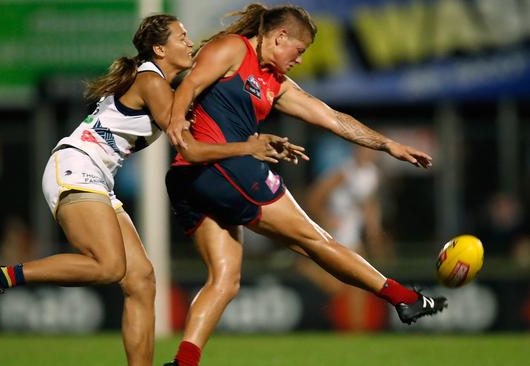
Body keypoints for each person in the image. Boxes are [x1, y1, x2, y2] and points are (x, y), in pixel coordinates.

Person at [0, 14, 299, 366]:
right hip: (77, 166)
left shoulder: (161, 86)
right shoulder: (151, 83)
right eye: (180, 37)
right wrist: (248, 147)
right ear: (159, 48)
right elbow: (190, 148)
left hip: (96, 176)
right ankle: (1, 276)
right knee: (109, 267)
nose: (188, 42)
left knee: (141, 280)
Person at [163, 4, 447, 365]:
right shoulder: (234, 49)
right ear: (280, 37)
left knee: (225, 279)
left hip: (193, 177)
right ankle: (402, 297)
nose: (299, 60)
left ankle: (183, 362)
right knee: (315, 240)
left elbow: (331, 118)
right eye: (298, 51)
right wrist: (175, 123)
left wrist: (386, 144)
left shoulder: (275, 83)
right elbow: (189, 84)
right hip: (224, 167)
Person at [296, 145, 393, 331]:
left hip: (353, 236)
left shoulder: (372, 174)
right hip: (337, 236)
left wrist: (374, 234)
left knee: (356, 288)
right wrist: (325, 217)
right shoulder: (343, 172)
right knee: (348, 287)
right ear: (355, 151)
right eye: (364, 149)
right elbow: (313, 197)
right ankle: (305, 267)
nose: (367, 153)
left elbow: (368, 206)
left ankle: (357, 332)